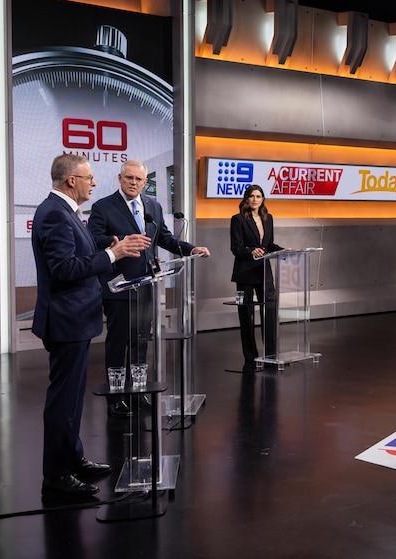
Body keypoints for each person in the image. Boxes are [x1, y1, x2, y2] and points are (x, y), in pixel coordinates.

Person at [32, 153, 152, 498]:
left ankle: (73, 457)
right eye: (89, 177)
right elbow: (65, 269)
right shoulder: (55, 213)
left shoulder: (63, 211)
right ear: (72, 180)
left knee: (72, 402)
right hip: (67, 320)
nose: (94, 183)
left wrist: (106, 246)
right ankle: (56, 474)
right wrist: (114, 255)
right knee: (63, 401)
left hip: (76, 320)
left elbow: (78, 254)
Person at [87, 160, 210, 418]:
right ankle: (116, 397)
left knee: (141, 341)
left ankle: (140, 390)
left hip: (147, 286)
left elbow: (163, 238)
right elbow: (92, 239)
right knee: (119, 342)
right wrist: (117, 241)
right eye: (129, 178)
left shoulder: (152, 205)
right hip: (118, 286)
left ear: (145, 182)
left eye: (138, 179)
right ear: (120, 179)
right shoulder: (102, 207)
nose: (133, 183)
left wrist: (190, 249)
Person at [230, 185, 283, 372]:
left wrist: (284, 251)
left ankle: (270, 355)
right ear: (246, 198)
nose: (255, 199)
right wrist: (251, 251)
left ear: (263, 199)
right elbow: (236, 247)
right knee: (247, 316)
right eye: (251, 196)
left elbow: (269, 244)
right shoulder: (237, 220)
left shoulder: (268, 219)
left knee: (269, 313)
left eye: (258, 196)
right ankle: (250, 358)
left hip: (264, 272)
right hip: (245, 273)